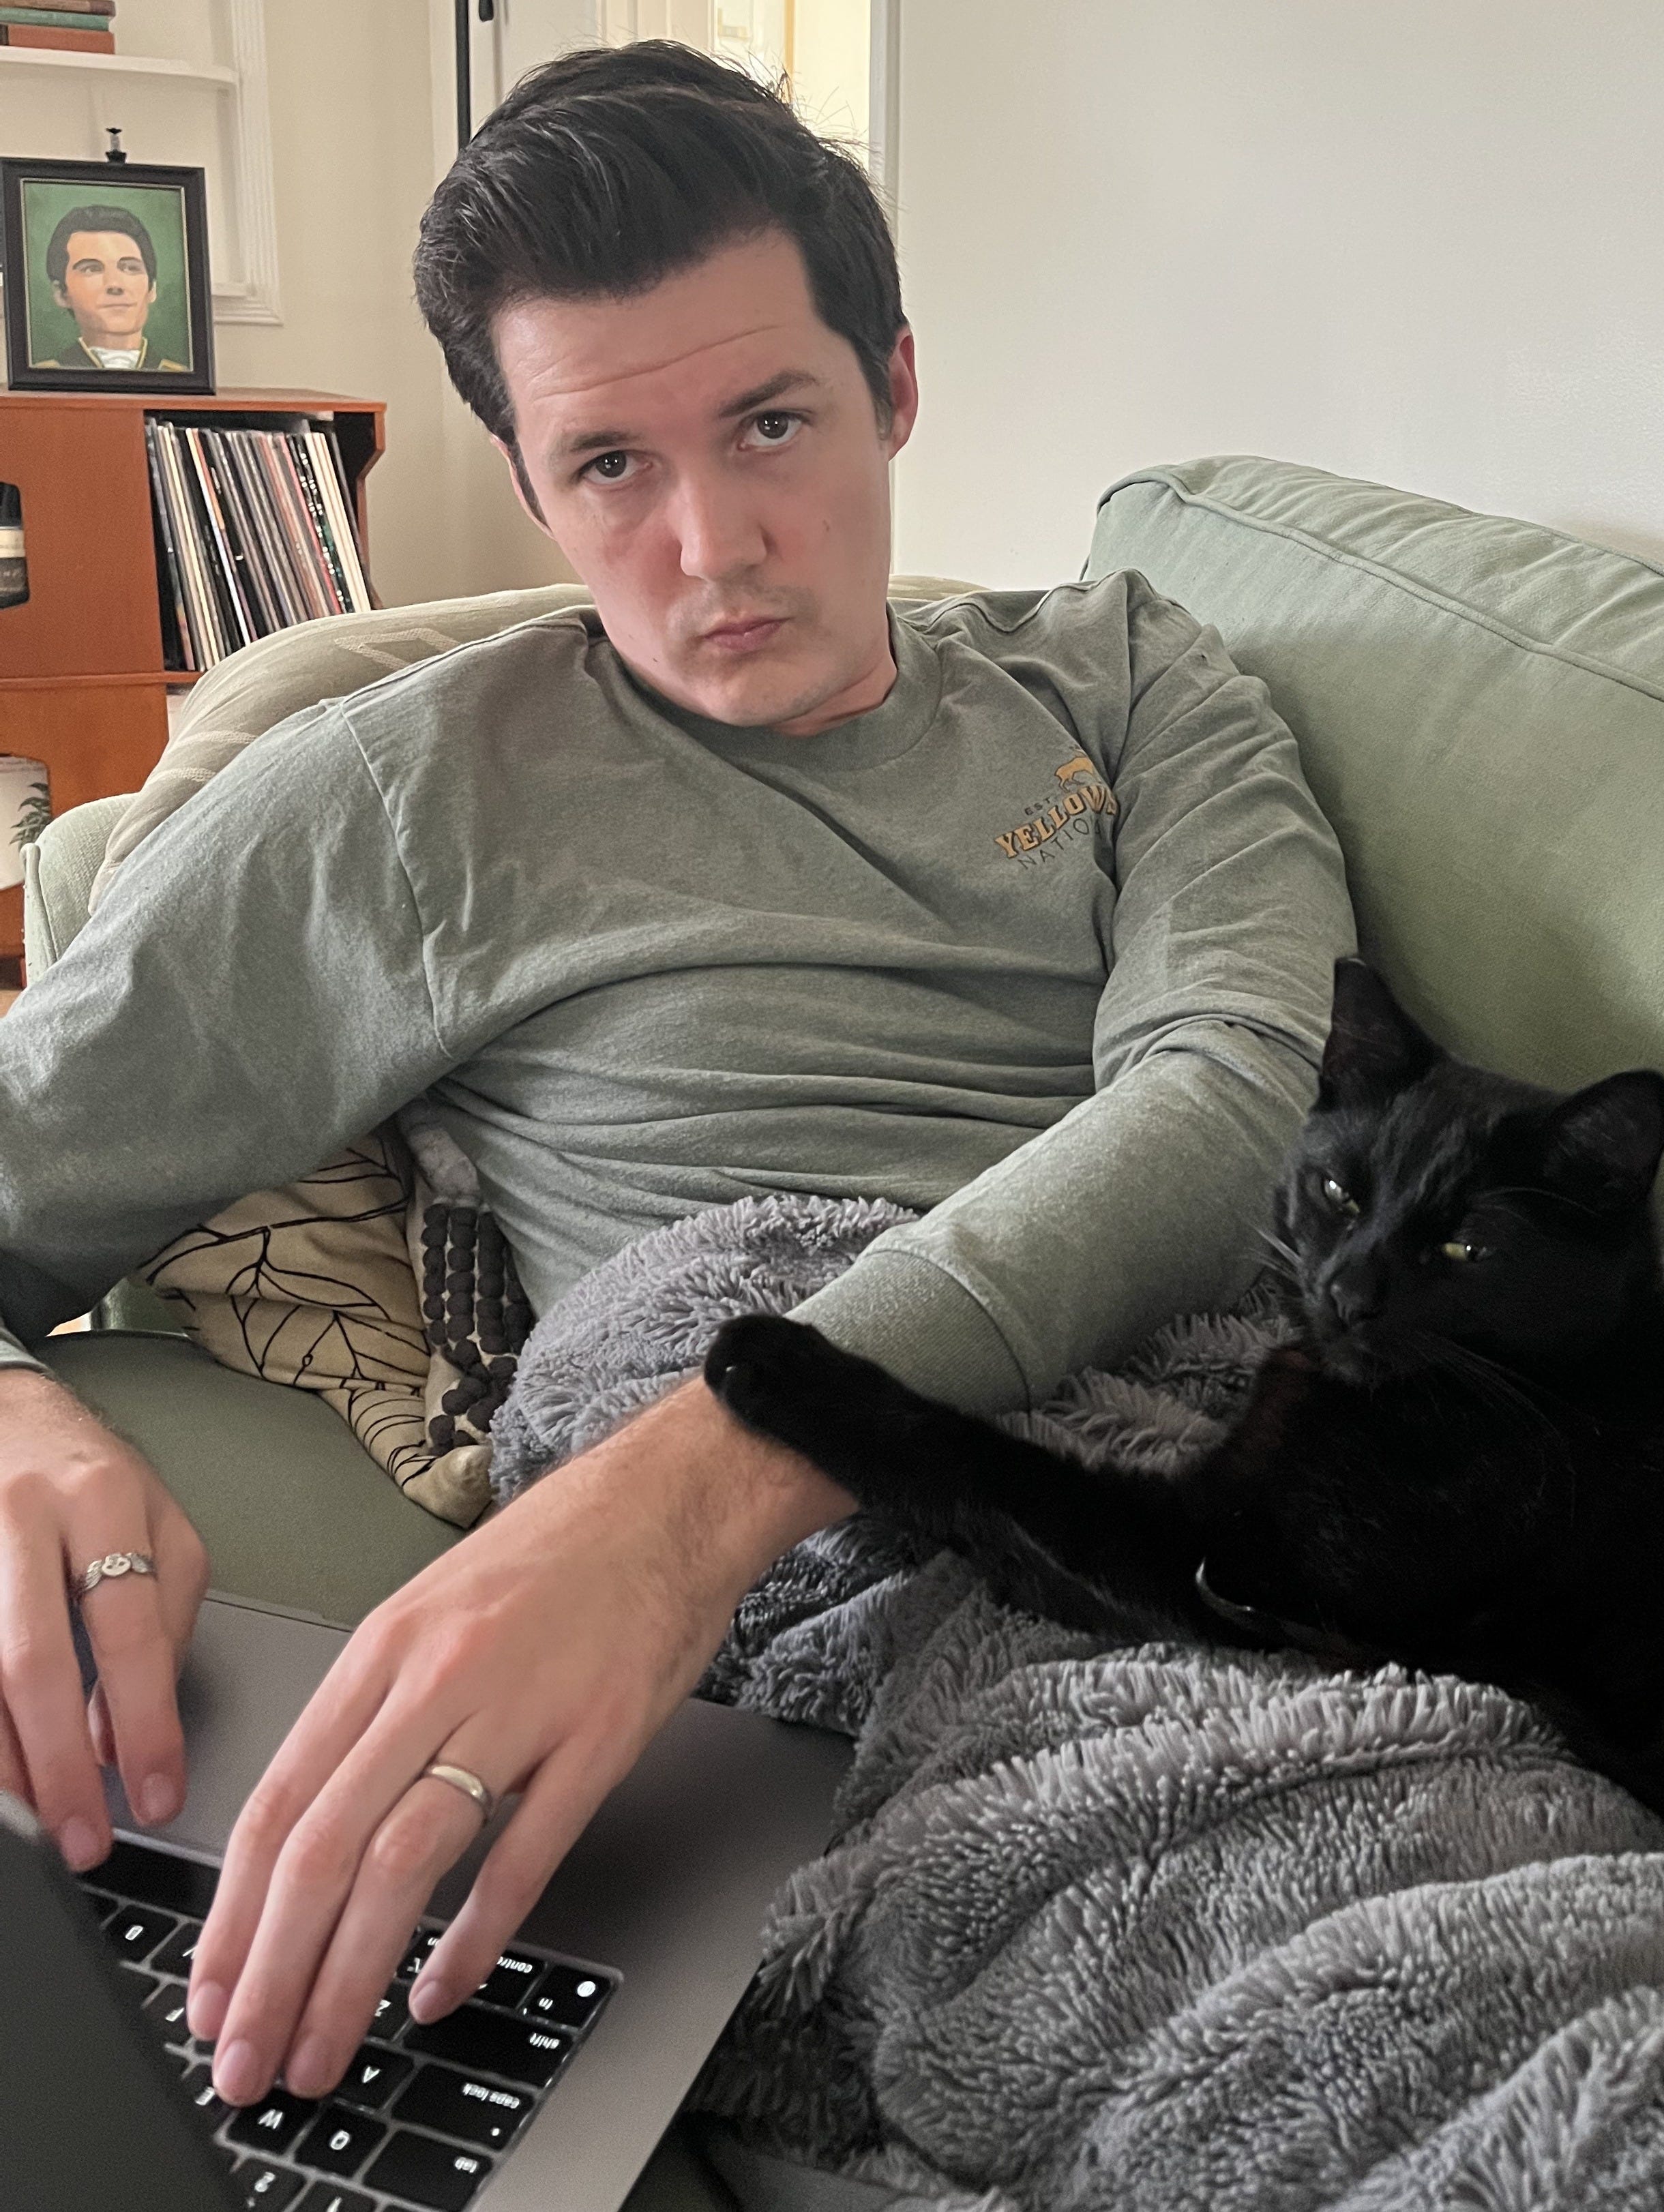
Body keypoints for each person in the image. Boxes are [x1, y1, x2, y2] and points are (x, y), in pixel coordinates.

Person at [0, 42, 1354, 2112]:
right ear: (527, 483)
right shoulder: (397, 801)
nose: (713, 542)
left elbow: (1225, 1085)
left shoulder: (1130, 671)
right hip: (887, 1587)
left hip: (1209, 1435)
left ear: (894, 386)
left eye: (771, 423)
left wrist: (695, 1485)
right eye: (611, 465)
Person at [32, 201, 188, 373]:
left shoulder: (180, 375)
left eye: (130, 268)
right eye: (92, 269)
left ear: (152, 289)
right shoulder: (44, 375)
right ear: (61, 293)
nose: (115, 284)